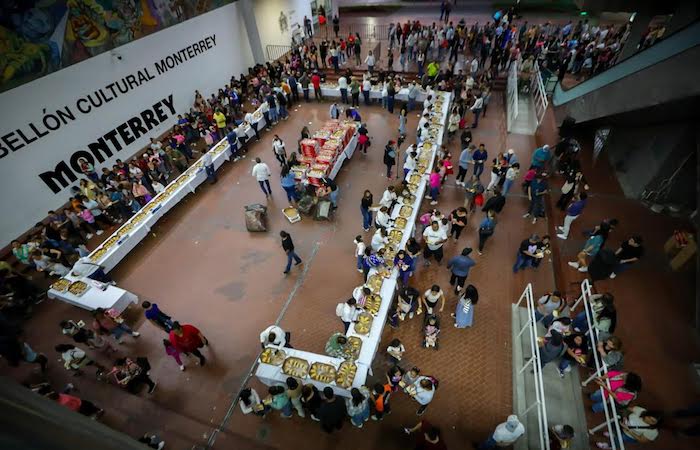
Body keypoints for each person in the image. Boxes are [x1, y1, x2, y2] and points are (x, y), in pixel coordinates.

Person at [595, 407, 662, 448]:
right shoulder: (641, 411)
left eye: (653, 421)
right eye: (649, 417)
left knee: (619, 439)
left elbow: (641, 440)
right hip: (623, 425)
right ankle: (613, 434)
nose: (649, 421)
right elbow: (627, 410)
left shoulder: (653, 431)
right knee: (614, 426)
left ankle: (609, 446)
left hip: (630, 435)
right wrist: (624, 417)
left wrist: (628, 430)